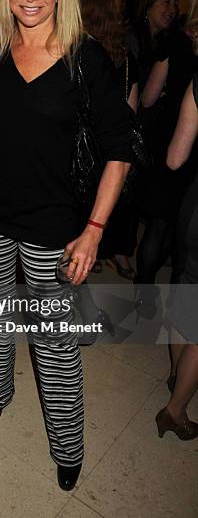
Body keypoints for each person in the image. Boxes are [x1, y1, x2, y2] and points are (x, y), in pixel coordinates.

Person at [0, 0, 132, 490]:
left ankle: (68, 444)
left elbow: (120, 148)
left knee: (54, 342)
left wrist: (93, 230)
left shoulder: (86, 58)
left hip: (53, 228)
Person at [135, 0, 198, 299]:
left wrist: (166, 94)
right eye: (167, 2)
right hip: (185, 147)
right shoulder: (172, 42)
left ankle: (144, 296)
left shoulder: (174, 44)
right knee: (176, 231)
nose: (173, 9)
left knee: (161, 224)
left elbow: (146, 99)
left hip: (170, 138)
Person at [78, 0, 138, 280]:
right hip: (107, 152)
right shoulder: (122, 54)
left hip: (80, 154)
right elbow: (133, 107)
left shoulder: (77, 53)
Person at [155, 73, 198, 440]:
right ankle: (175, 410)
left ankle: (175, 374)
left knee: (186, 293)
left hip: (194, 209)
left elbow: (174, 158)